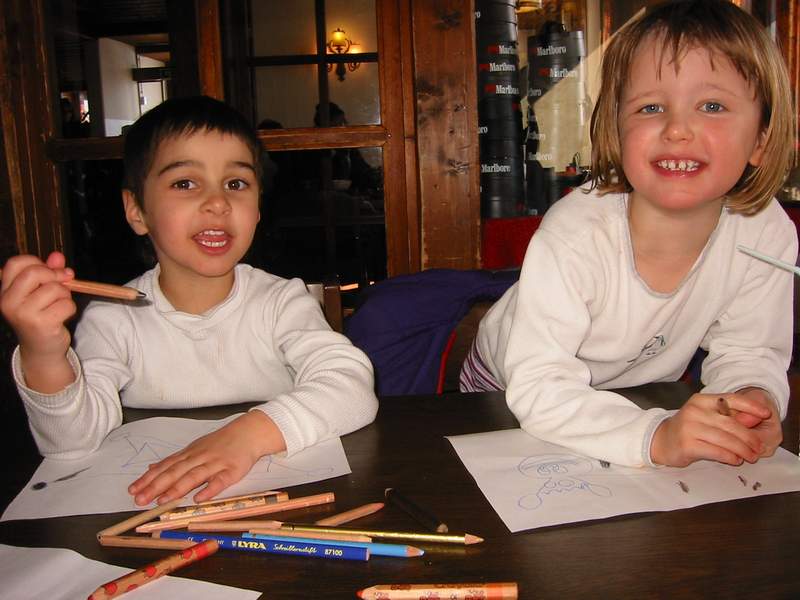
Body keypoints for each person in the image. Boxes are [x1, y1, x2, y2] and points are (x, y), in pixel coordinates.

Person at [461, 0, 797, 469]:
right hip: (509, 387)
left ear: (761, 138)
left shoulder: (766, 233)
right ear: (617, 130)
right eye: (651, 107)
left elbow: (750, 349)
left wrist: (750, 398)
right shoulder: (576, 233)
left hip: (638, 390)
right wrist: (655, 437)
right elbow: (538, 385)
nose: (677, 129)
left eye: (713, 106)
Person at [0, 96, 378, 506]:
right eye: (185, 183)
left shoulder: (282, 301)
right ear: (136, 210)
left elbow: (352, 387)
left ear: (257, 208)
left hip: (275, 498)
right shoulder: (113, 317)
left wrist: (248, 435)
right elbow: (70, 444)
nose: (218, 202)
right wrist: (43, 354)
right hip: (153, 509)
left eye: (236, 184)